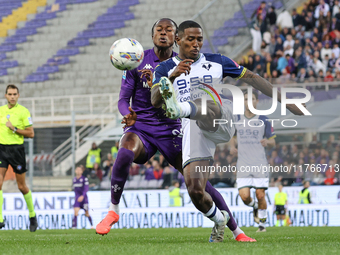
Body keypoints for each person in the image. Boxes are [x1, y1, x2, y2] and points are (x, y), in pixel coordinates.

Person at [96, 18, 255, 242]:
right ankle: (113, 210)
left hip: (175, 128)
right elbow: (123, 99)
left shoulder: (186, 62)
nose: (163, 33)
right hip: (142, 127)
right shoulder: (137, 61)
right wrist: (128, 113)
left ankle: (237, 232)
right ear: (152, 37)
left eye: (168, 30)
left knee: (200, 184)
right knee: (124, 150)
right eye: (159, 30)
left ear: (176, 37)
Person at [152, 20, 304, 238]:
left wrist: (287, 102)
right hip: (193, 127)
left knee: (205, 99)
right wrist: (172, 76)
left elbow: (254, 79)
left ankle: (179, 109)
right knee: (195, 190)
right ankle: (218, 219)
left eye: (200, 39)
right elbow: (155, 99)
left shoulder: (217, 61)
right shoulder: (165, 68)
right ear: (178, 39)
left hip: (221, 116)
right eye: (191, 39)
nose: (196, 44)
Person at [230, 90, 276, 232]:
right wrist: (232, 146)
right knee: (244, 196)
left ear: (256, 101)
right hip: (243, 163)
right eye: (245, 99)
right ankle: (254, 206)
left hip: (259, 163)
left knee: (260, 194)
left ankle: (262, 224)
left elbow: (273, 141)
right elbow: (232, 136)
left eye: (252, 99)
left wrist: (267, 142)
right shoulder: (237, 118)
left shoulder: (264, 119)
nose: (249, 102)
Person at [0, 84, 38, 231]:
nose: (12, 96)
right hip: (2, 149)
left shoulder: (23, 111)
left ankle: (32, 215)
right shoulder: (1, 111)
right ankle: (0, 218)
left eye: (15, 94)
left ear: (18, 95)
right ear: (5, 96)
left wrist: (14, 129)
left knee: (21, 186)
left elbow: (31, 133)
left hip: (17, 151)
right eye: (10, 94)